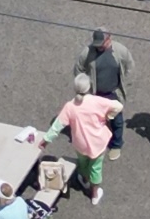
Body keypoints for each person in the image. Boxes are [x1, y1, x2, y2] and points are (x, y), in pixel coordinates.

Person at [42, 72, 122, 207]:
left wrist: (45, 140)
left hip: (80, 143)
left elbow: (57, 126)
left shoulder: (70, 106)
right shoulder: (97, 101)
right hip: (98, 142)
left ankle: (84, 178)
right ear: (89, 87)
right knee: (96, 168)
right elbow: (118, 106)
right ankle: (95, 194)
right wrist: (109, 116)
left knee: (83, 162)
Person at [75, 28, 134, 162]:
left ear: (109, 39)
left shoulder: (120, 51)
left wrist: (125, 83)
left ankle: (116, 144)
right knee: (95, 119)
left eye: (101, 44)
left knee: (117, 120)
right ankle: (98, 141)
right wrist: (84, 88)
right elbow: (78, 69)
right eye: (97, 44)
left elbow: (130, 65)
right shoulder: (88, 52)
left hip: (114, 93)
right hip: (95, 93)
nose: (99, 47)